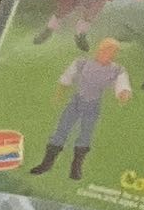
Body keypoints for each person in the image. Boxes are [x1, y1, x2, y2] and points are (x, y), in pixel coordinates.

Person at [43, 37, 131, 180]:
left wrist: (123, 94)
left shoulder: (117, 70)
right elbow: (66, 78)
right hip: (76, 102)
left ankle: (76, 168)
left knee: (85, 135)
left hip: (93, 105)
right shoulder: (82, 63)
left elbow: (122, 86)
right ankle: (47, 164)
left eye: (113, 52)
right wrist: (59, 94)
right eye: (107, 50)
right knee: (61, 130)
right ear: (100, 49)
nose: (110, 54)